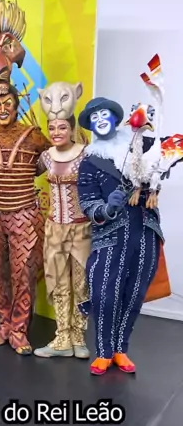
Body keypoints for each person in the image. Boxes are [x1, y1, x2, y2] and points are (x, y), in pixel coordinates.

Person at [0, 0, 50, 354]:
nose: (2, 108)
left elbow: (50, 163)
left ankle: (20, 329)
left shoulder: (34, 134)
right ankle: (3, 323)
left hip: (24, 213)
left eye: (8, 103)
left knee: (22, 273)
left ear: (17, 105)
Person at [77, 96, 162, 374]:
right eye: (94, 118)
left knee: (134, 292)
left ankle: (120, 349)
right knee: (104, 293)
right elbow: (88, 203)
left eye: (104, 115)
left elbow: (159, 163)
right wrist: (107, 208)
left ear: (115, 119)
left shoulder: (139, 145)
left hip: (145, 230)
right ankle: (103, 351)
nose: (100, 120)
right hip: (111, 236)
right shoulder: (90, 162)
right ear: (90, 125)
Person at [33, 81, 91, 359]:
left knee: (81, 285)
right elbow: (26, 173)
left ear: (71, 128)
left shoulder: (85, 154)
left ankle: (79, 337)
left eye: (62, 127)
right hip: (55, 229)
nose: (56, 132)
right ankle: (62, 338)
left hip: (81, 229)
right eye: (52, 127)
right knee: (59, 283)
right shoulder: (46, 157)